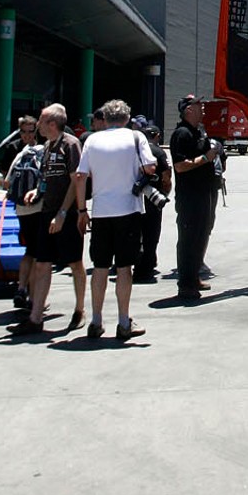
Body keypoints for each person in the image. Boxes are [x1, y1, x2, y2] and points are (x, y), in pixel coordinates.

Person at [73, 99, 156, 341]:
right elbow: (150, 167)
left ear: (105, 119)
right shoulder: (136, 137)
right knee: (124, 268)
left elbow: (80, 176)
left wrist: (81, 209)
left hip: (101, 212)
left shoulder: (92, 140)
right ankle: (123, 321)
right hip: (127, 210)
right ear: (127, 118)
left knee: (99, 267)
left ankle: (96, 320)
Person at [9, 104, 85, 336]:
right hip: (46, 212)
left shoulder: (70, 145)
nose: (38, 126)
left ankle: (79, 310)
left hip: (67, 214)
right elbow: (45, 177)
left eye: (41, 121)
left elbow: (76, 181)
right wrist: (37, 191)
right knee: (42, 263)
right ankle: (35, 317)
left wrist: (63, 213)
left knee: (74, 263)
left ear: (52, 124)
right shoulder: (48, 146)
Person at [170, 96, 221, 301]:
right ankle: (185, 285)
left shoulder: (198, 132)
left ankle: (194, 278)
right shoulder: (181, 134)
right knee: (188, 240)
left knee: (201, 236)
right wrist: (206, 158)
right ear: (188, 110)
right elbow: (180, 166)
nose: (203, 108)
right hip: (189, 197)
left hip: (204, 193)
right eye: (199, 105)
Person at [4, 116, 42, 309]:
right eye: (24, 131)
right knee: (37, 254)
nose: (27, 135)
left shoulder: (16, 151)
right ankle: (33, 297)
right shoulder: (42, 150)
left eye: (30, 131)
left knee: (29, 250)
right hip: (38, 207)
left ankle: (21, 288)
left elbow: (6, 181)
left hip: (21, 208)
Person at [131, 117, 172, 284]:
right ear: (156, 136)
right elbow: (166, 177)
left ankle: (135, 263)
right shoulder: (159, 152)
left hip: (133, 198)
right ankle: (145, 269)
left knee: (135, 234)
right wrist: (164, 194)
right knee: (151, 235)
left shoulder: (133, 150)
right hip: (152, 200)